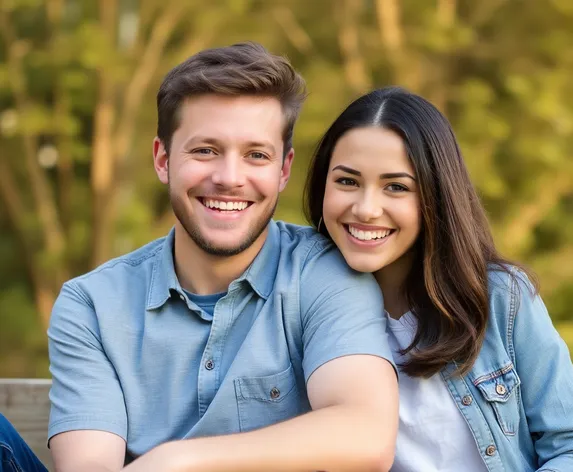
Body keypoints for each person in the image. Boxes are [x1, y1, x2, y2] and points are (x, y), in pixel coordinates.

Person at [0, 44, 398, 472]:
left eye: (256, 155)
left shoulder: (324, 272)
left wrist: (179, 458)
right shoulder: (92, 304)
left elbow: (366, 435)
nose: (229, 178)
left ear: (283, 170)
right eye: (205, 150)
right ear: (162, 159)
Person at [304, 86, 573, 472]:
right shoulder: (296, 304)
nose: (365, 208)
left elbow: (567, 444)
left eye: (396, 187)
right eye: (347, 181)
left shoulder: (501, 298)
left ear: (436, 194)